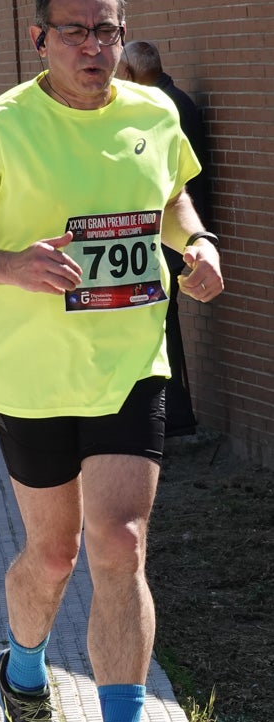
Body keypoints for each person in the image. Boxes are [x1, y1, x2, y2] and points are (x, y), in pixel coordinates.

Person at [0, 0, 223, 722]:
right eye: (75, 31)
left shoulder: (152, 113)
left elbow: (171, 199)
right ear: (40, 38)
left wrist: (196, 245)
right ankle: (20, 671)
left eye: (107, 31)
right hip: (31, 380)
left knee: (119, 545)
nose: (94, 47)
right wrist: (9, 266)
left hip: (130, 365)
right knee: (51, 559)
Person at [117, 40, 211, 436]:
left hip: (175, 237)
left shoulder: (157, 109)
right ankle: (172, 415)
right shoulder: (176, 99)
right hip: (182, 237)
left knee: (159, 326)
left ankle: (171, 417)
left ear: (135, 72)